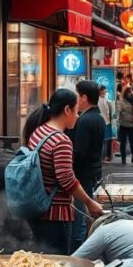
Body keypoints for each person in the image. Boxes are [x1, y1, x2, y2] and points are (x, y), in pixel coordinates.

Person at [20, 89, 103, 255]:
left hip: (38, 209)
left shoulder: (39, 131)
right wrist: (89, 202)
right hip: (55, 214)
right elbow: (66, 179)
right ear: (67, 110)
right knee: (57, 263)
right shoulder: (61, 140)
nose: (78, 117)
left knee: (43, 261)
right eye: (76, 111)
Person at [67, 80, 106, 249]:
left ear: (84, 97)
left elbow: (79, 153)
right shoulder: (98, 118)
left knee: (79, 214)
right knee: (86, 212)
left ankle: (78, 247)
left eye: (76, 95)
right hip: (93, 169)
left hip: (83, 173)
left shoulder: (84, 121)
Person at [116, 87, 133, 165]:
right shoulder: (122, 102)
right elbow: (118, 111)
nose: (131, 93)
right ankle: (123, 158)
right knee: (123, 142)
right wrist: (117, 120)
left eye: (132, 92)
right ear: (126, 93)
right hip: (124, 124)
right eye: (129, 92)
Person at [98, 85, 114, 163]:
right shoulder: (101, 100)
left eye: (105, 90)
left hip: (105, 122)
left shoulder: (105, 100)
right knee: (104, 140)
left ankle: (104, 157)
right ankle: (103, 157)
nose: (105, 91)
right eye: (104, 90)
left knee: (105, 140)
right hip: (104, 122)